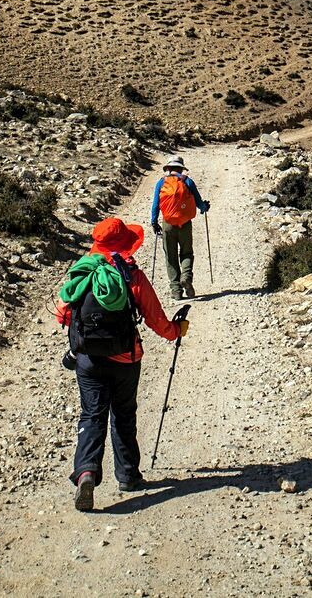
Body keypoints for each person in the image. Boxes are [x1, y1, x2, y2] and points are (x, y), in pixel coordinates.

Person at [56, 217, 189, 512]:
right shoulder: (131, 275)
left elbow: (62, 315)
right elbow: (155, 318)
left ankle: (87, 472)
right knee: (124, 414)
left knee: (92, 415)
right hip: (126, 358)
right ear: (123, 243)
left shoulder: (82, 273)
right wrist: (176, 331)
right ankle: (128, 475)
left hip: (88, 359)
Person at [150, 155, 210, 299]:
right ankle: (186, 277)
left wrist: (154, 222)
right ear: (181, 168)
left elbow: (155, 205)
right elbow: (199, 203)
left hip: (168, 224)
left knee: (170, 256)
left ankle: (176, 290)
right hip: (185, 224)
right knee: (187, 252)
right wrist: (205, 207)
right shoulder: (188, 181)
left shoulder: (161, 183)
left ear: (168, 168)